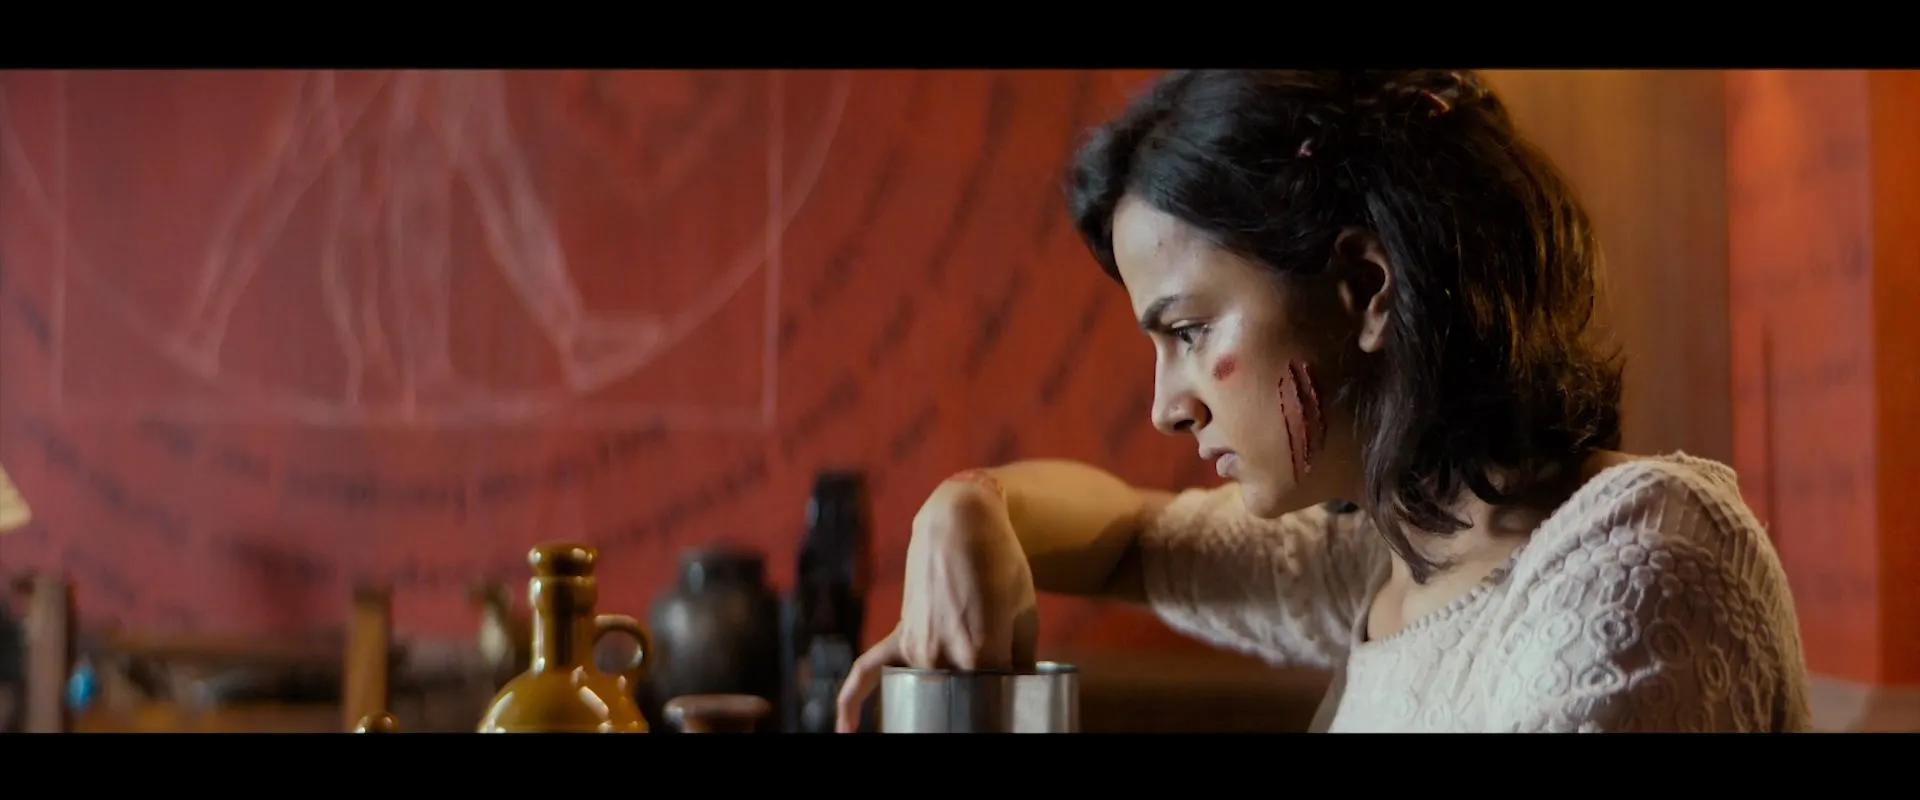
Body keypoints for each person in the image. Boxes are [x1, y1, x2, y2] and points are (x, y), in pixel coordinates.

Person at [835, 69, 1812, 733]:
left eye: (1189, 330)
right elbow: (1129, 537)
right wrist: (968, 507)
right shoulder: (1392, 550)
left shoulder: (1634, 556)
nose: (1167, 406)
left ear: (1367, 287)